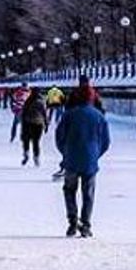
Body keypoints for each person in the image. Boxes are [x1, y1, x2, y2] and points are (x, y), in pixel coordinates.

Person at [55, 81, 111, 238]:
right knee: (88, 193)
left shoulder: (69, 115)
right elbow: (106, 142)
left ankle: (72, 222)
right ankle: (85, 224)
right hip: (90, 161)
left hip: (71, 159)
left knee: (69, 190)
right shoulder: (99, 116)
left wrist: (65, 153)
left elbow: (59, 137)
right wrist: (95, 154)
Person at [18, 84, 50, 166]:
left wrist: (22, 123)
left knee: (26, 140)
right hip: (38, 124)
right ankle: (36, 157)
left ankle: (26, 153)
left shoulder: (28, 101)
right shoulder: (41, 101)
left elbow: (23, 112)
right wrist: (46, 124)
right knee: (36, 142)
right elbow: (44, 114)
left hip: (28, 123)